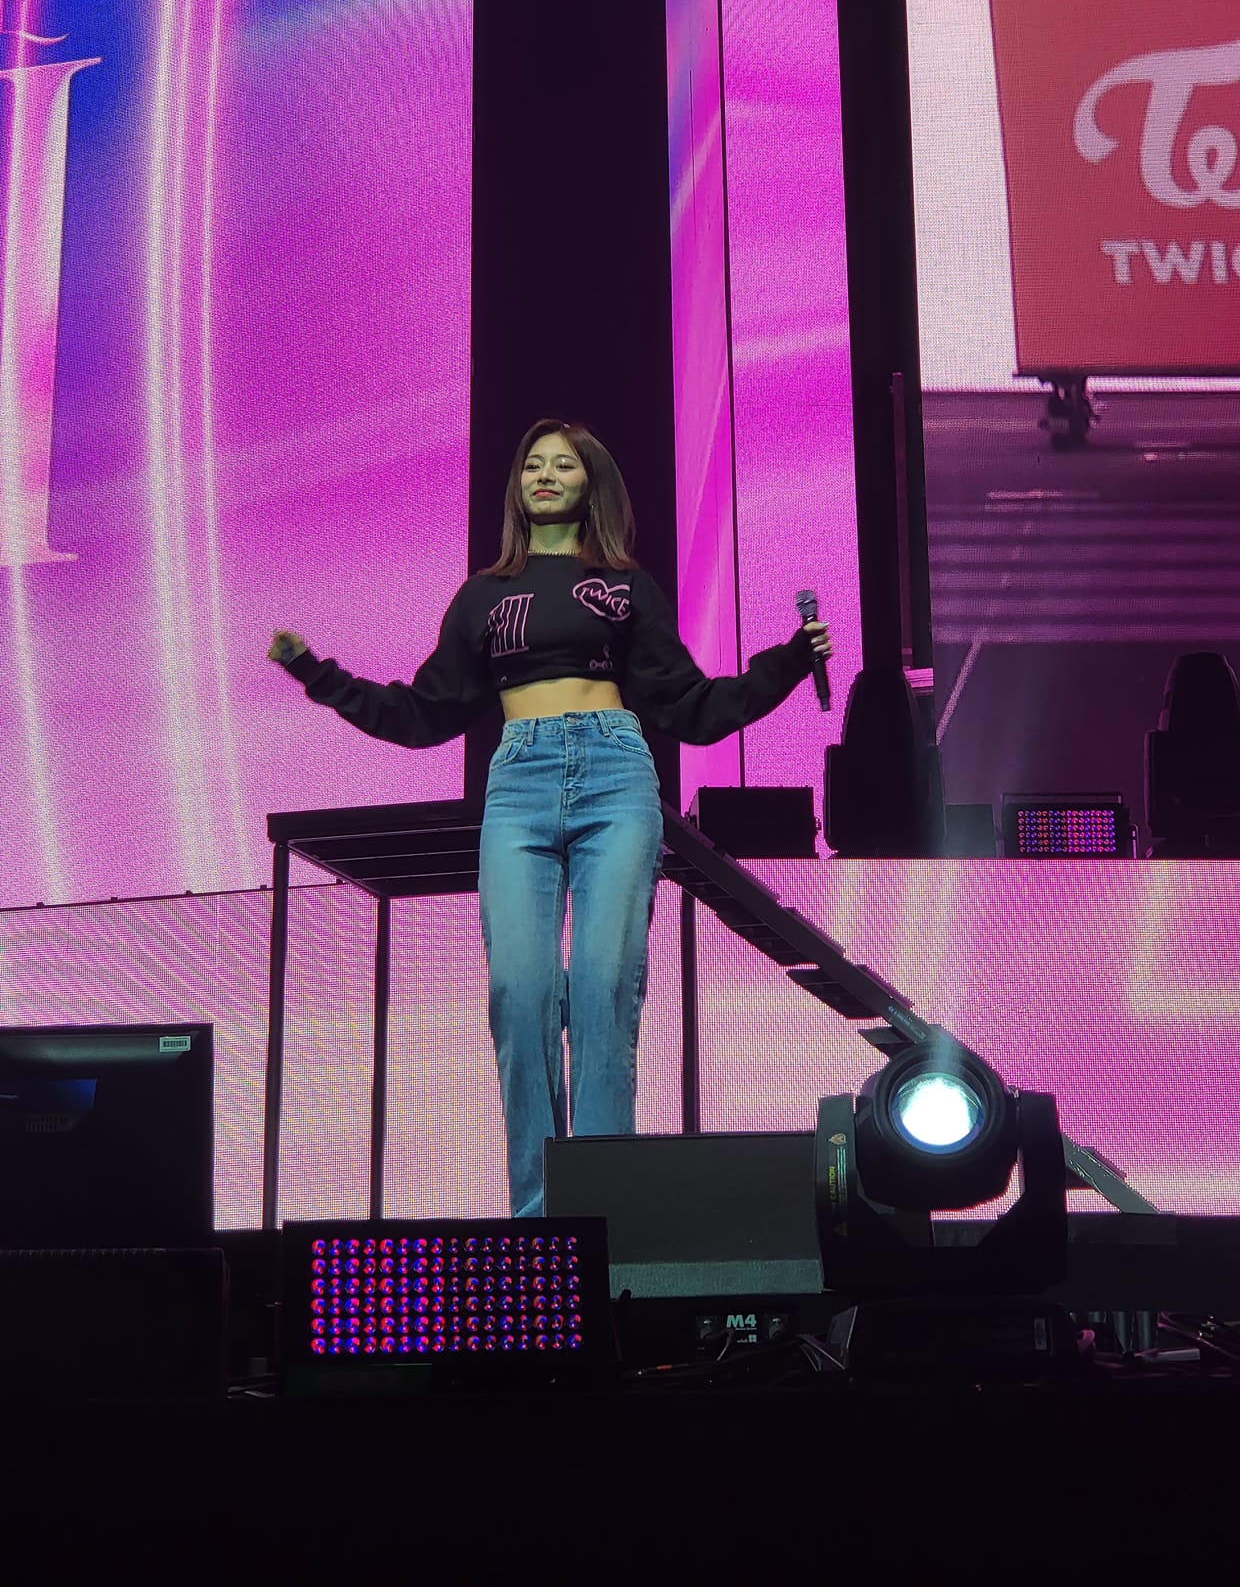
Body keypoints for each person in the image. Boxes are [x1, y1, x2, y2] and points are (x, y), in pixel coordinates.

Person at [268, 418, 832, 1214]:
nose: (544, 475)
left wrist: (789, 660)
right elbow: (424, 713)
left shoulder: (626, 585)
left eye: (563, 465)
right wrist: (317, 675)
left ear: (590, 482)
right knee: (520, 992)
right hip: (519, 781)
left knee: (603, 986)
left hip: (614, 772)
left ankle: (602, 1208)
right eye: (533, 463)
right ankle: (539, 1218)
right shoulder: (483, 595)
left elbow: (692, 707)